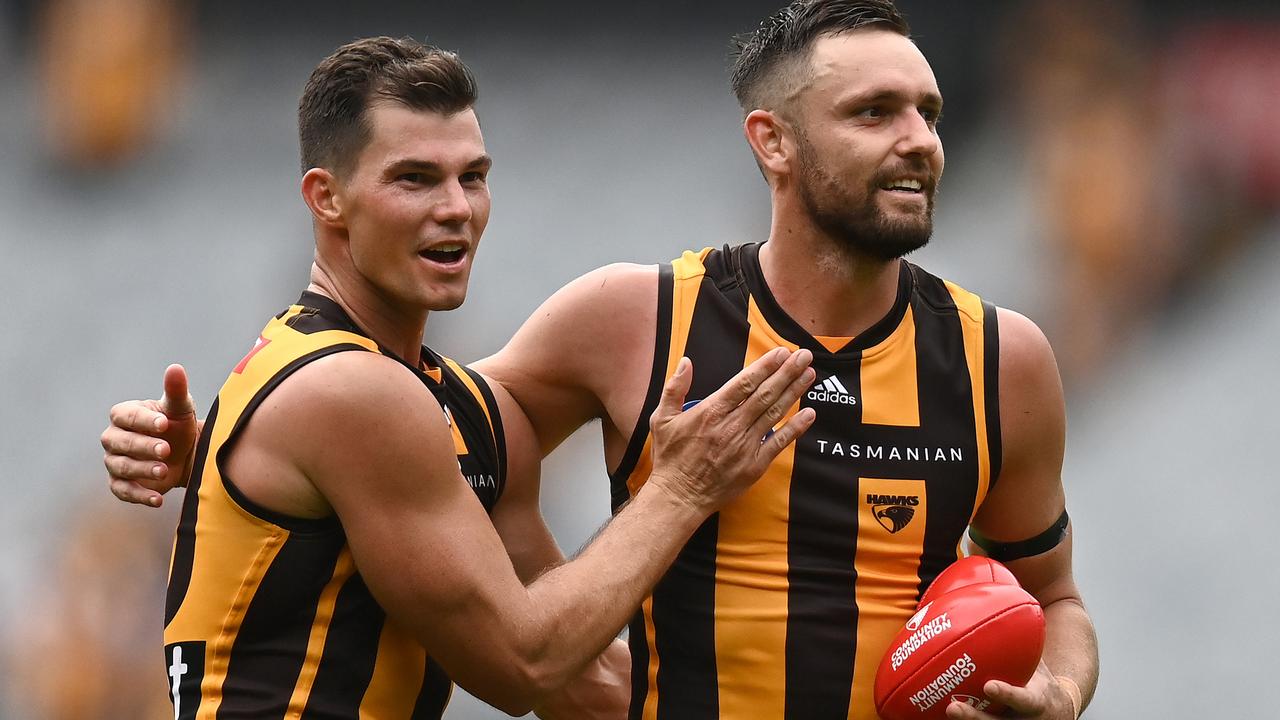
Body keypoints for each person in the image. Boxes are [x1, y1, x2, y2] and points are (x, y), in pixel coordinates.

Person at [103, 2, 1099, 718]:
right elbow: (428, 471)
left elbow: (1052, 598)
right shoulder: (633, 319)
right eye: (874, 112)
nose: (919, 139)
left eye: (926, 109)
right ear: (774, 143)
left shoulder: (996, 359)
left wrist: (1055, 690)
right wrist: (252, 448)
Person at [108, 36, 818, 720]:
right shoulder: (349, 392)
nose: (456, 207)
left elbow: (589, 688)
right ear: (326, 198)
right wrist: (681, 488)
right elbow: (521, 666)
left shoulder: (468, 412)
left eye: (472, 177)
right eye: (414, 178)